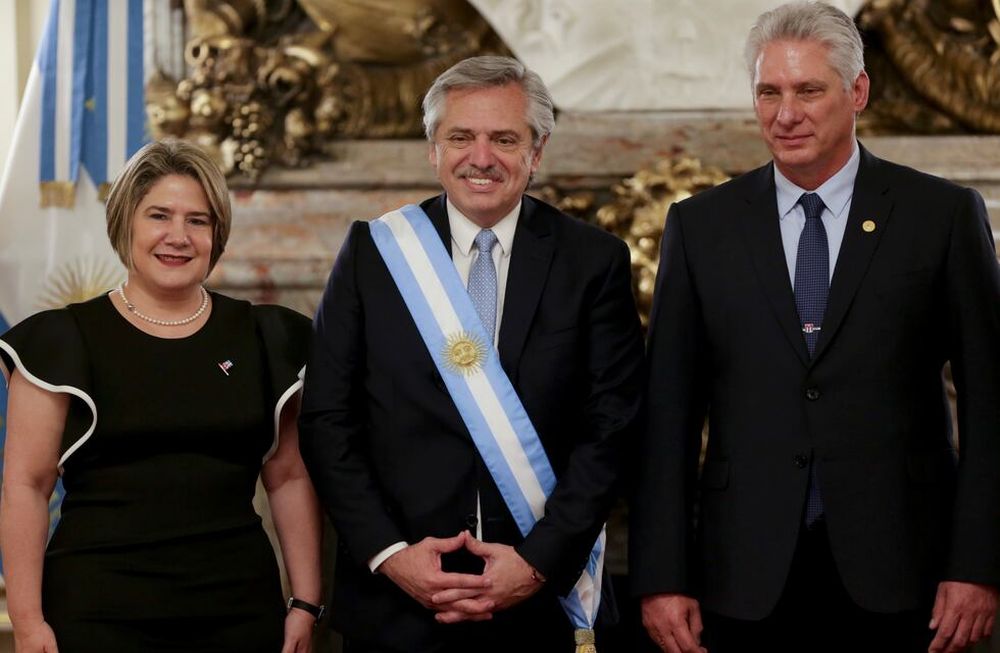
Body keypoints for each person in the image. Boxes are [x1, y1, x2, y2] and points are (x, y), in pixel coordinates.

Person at [630, 3, 1000, 653]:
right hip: (741, 576)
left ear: (857, 92)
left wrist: (978, 565)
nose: (785, 114)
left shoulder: (940, 215)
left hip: (907, 572)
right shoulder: (701, 226)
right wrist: (662, 576)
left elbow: (991, 402)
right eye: (768, 92)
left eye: (808, 90)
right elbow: (667, 415)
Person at [298, 55, 645, 652]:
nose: (481, 158)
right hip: (396, 606)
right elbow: (327, 419)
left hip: (539, 603)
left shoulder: (593, 262)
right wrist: (390, 554)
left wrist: (537, 563)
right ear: (433, 149)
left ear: (537, 152)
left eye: (504, 139)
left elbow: (612, 427)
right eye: (461, 137)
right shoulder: (372, 254)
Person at [0, 139, 324, 653]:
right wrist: (27, 621)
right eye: (159, 216)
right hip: (95, 611)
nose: (178, 236)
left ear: (217, 234)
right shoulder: (62, 341)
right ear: (124, 222)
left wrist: (306, 602)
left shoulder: (265, 336)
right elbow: (26, 485)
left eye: (198, 220)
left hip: (239, 609)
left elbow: (287, 476)